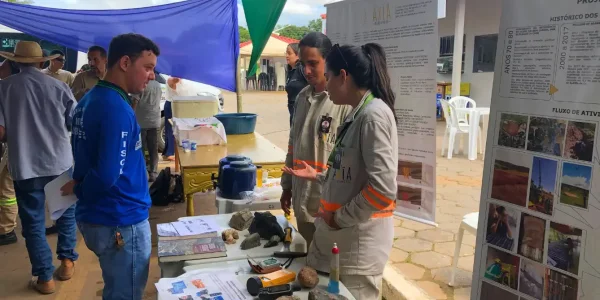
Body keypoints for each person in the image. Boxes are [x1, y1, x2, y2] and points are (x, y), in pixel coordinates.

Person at [283, 43, 398, 299]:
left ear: (343, 76)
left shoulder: (373, 116)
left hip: (357, 250)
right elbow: (352, 175)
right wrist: (319, 177)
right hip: (341, 244)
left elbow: (383, 189)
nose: (326, 82)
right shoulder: (358, 114)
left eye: (330, 76)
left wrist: (339, 218)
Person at [62, 33, 159, 300]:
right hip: (119, 219)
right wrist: (81, 189)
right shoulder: (114, 106)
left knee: (116, 287)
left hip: (102, 216)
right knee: (125, 293)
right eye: (148, 68)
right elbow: (106, 175)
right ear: (125, 63)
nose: (151, 76)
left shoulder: (92, 98)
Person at [0, 41, 78, 294]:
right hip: (59, 162)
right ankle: (66, 263)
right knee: (65, 214)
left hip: (26, 164)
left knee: (33, 222)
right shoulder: (60, 86)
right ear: (42, 62)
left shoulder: (4, 88)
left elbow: (1, 131)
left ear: (13, 62)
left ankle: (45, 278)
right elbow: (74, 122)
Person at [280, 32, 352, 246]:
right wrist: (287, 186)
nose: (307, 71)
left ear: (328, 61)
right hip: (302, 202)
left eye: (313, 63)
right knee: (307, 261)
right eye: (303, 64)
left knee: (327, 269)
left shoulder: (342, 103)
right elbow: (293, 145)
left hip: (328, 209)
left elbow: (347, 161)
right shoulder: (302, 98)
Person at [0, 59, 19, 246]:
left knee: (7, 186)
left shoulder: (5, 88)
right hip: (43, 150)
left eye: (3, 65)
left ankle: (6, 229)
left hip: (16, 147)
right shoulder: (51, 86)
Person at [134, 79, 162, 182]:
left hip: (141, 122)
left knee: (140, 148)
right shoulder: (158, 85)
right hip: (155, 121)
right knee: (153, 148)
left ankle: (142, 172)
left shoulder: (139, 84)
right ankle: (153, 173)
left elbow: (134, 102)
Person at [285, 43, 308, 127]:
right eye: (286, 53)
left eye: (289, 53)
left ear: (298, 55)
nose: (287, 56)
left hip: (303, 111)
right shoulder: (290, 71)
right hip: (292, 111)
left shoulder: (302, 69)